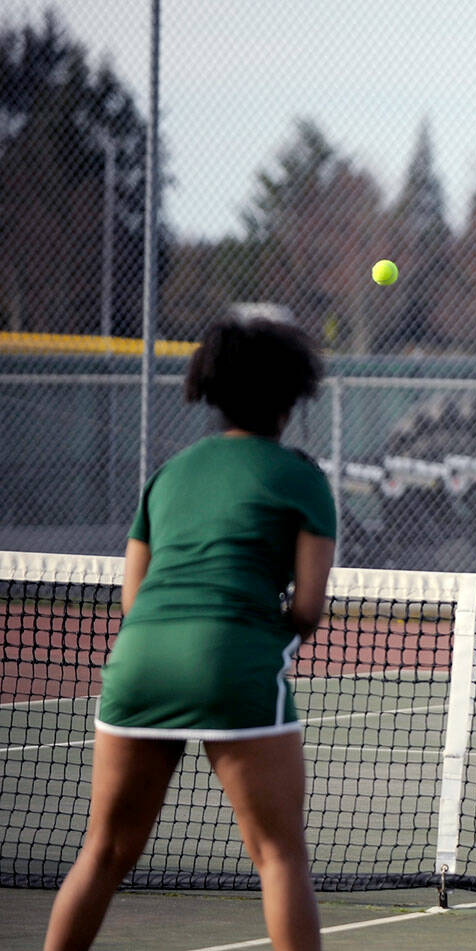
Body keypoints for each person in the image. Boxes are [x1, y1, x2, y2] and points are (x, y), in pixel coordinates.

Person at [44, 317, 336, 951]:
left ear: (214, 391)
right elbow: (308, 608)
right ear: (290, 398)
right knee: (279, 856)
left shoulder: (168, 475)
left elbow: (134, 597)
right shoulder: (303, 478)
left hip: (138, 660)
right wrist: (252, 629)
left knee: (104, 852)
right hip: (230, 664)